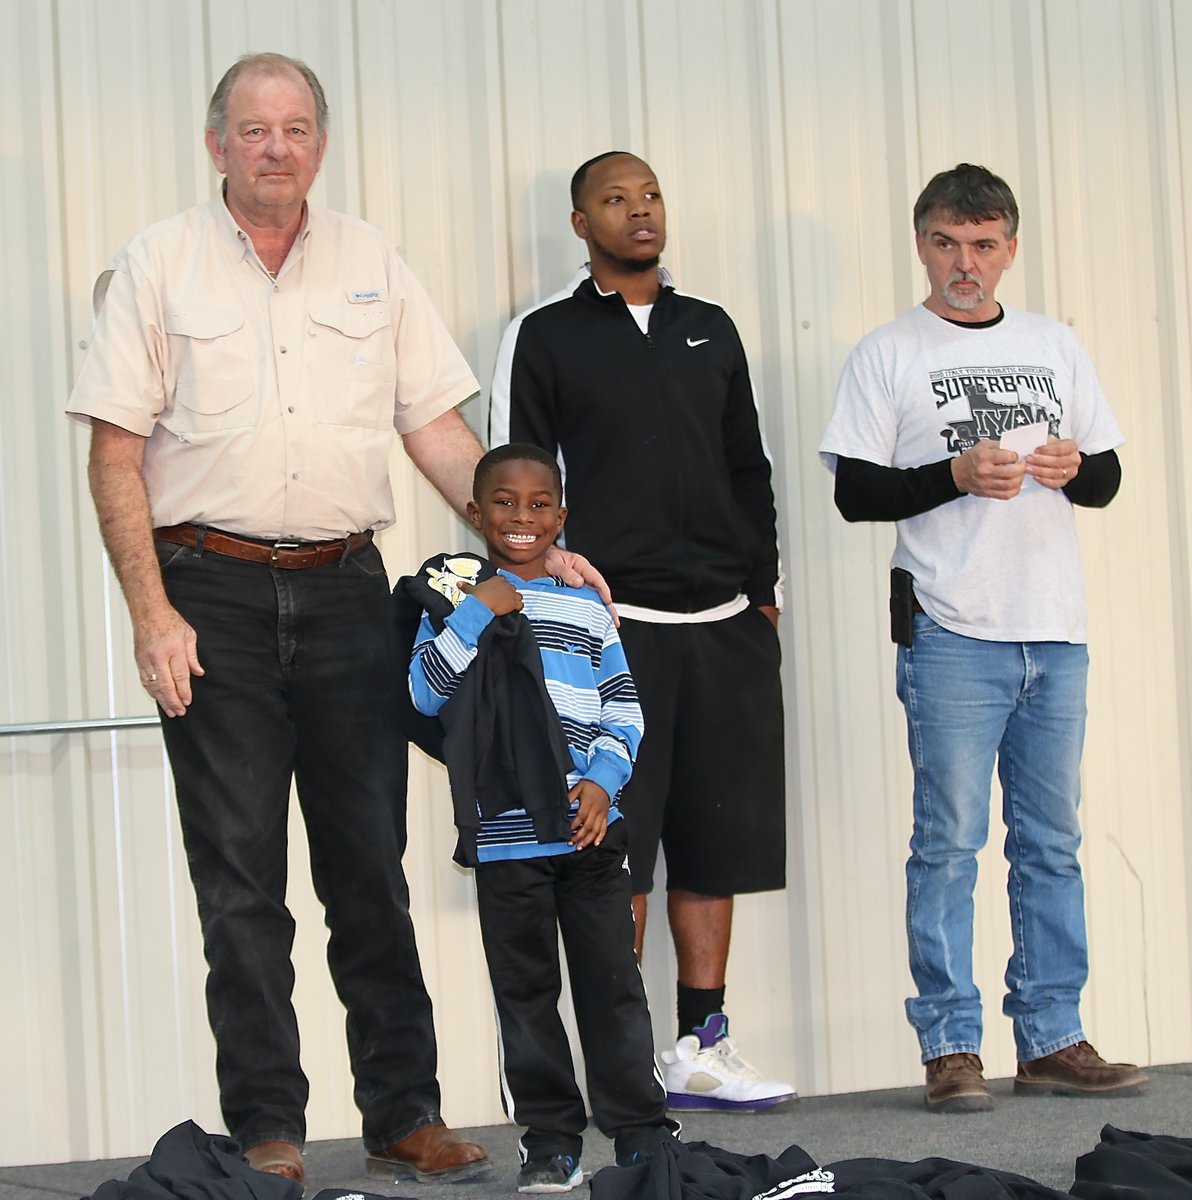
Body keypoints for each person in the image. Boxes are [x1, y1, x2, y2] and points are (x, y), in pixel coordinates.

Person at [66, 52, 606, 1185]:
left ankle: (404, 1113)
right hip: (207, 593)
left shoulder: (372, 262)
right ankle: (269, 1127)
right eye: (254, 129)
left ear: (320, 142)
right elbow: (115, 454)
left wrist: (525, 544)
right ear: (216, 144)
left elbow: (436, 429)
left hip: (351, 593)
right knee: (240, 881)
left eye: (297, 128)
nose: (277, 147)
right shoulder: (158, 264)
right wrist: (152, 612)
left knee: (370, 866)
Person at [819, 163, 1146, 1113]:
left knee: (1051, 844)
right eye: (948, 244)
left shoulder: (1054, 343)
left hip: (1056, 626)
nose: (966, 264)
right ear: (922, 244)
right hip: (952, 629)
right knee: (949, 843)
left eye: (985, 245)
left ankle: (1052, 1038)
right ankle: (951, 1046)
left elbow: (1107, 478)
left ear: (1011, 248)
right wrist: (952, 475)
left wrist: (1075, 467)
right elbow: (855, 493)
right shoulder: (888, 353)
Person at [489, 152, 794, 1112]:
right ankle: (619, 1064)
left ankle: (701, 1045)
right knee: (614, 854)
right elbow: (514, 478)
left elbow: (749, 468)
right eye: (615, 200)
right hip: (616, 629)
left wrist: (762, 592)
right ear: (582, 225)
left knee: (715, 845)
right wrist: (553, 601)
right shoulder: (545, 335)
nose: (640, 211)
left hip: (725, 628)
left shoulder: (711, 328)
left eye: (652, 194)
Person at [406, 444, 680, 1192]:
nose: (520, 517)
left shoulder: (588, 607)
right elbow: (424, 693)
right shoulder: (453, 603)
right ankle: (551, 1139)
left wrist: (602, 784)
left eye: (538, 504)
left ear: (560, 517)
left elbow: (625, 707)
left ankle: (640, 1133)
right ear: (475, 512)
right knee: (525, 995)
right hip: (507, 840)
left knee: (612, 985)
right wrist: (476, 612)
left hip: (591, 832)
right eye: (503, 502)